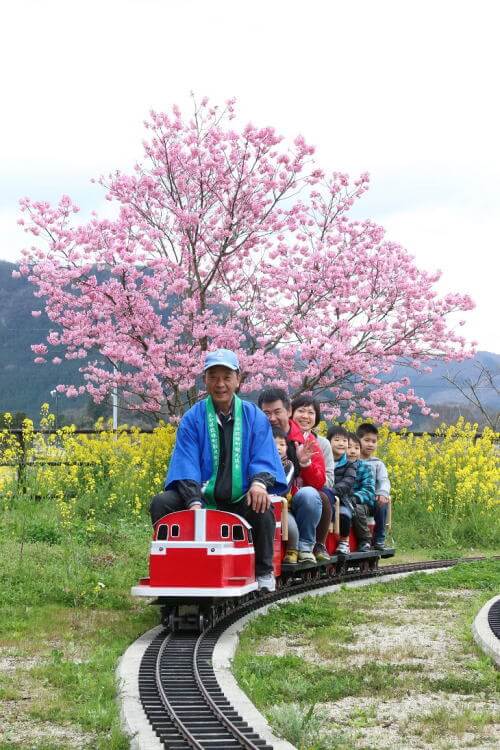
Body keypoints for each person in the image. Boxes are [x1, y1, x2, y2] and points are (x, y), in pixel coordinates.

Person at [150, 349, 287, 592]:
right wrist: (193, 501)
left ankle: (264, 571)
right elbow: (186, 463)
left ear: (237, 379)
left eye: (226, 377)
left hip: (240, 497)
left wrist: (258, 483)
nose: (220, 384)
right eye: (213, 377)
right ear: (205, 380)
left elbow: (264, 455)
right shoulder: (193, 417)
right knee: (162, 503)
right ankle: (173, 566)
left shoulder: (253, 415)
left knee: (263, 505)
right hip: (201, 499)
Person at [258, 387, 325, 563]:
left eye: (277, 412)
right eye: (266, 413)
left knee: (310, 494)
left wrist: (305, 464)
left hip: (295, 499)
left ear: (288, 411)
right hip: (267, 497)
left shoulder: (306, 442)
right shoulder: (256, 436)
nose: (272, 418)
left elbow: (319, 484)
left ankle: (305, 547)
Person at [291, 395, 334, 561]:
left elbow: (326, 480)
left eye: (311, 412)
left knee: (320, 496)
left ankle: (317, 544)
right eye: (301, 411)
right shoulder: (281, 437)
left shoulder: (320, 443)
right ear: (290, 413)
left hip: (315, 491)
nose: (305, 416)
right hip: (289, 490)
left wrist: (306, 464)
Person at [356, 423, 391, 550]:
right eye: (366, 440)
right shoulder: (351, 461)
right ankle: (363, 541)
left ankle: (380, 538)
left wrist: (382, 493)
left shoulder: (378, 463)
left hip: (373, 501)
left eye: (374, 441)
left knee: (382, 503)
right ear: (357, 441)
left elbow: (384, 480)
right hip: (359, 501)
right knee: (356, 508)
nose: (370, 444)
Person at [326, 425, 357, 554]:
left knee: (344, 515)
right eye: (337, 440)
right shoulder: (324, 460)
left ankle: (344, 541)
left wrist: (332, 491)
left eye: (344, 441)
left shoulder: (350, 463)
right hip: (327, 498)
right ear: (329, 442)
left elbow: (348, 482)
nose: (341, 443)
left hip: (343, 500)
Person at [272, 425, 300, 564]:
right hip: (263, 502)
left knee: (289, 523)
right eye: (274, 443)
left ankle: (293, 549)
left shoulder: (288, 464)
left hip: (282, 505)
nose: (278, 447)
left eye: (282, 444)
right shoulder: (262, 463)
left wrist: (271, 495)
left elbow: (285, 485)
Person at [346, 433, 375, 552]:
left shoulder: (365, 467)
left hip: (362, 503)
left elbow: (369, 490)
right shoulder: (336, 466)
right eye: (349, 447)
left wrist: (356, 498)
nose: (353, 451)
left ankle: (365, 540)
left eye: (356, 448)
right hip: (343, 500)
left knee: (356, 509)